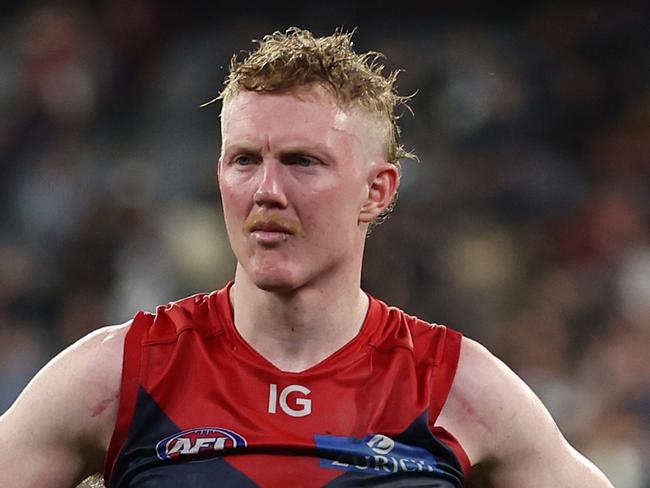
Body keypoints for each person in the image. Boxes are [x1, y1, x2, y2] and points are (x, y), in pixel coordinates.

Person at [0, 28, 613, 488]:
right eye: (245, 160)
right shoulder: (123, 373)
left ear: (376, 192)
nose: (266, 190)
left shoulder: (457, 388)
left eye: (301, 162)